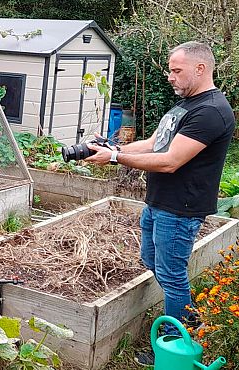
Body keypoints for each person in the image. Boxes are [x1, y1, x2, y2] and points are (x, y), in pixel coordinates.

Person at [86, 41, 235, 365]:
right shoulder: (183, 106)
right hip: (159, 203)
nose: (170, 76)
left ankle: (178, 342)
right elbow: (154, 144)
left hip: (180, 209)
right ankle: (192, 322)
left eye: (176, 70)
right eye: (170, 70)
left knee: (171, 274)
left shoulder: (210, 111)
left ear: (200, 68)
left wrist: (114, 158)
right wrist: (111, 146)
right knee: (153, 260)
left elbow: (169, 161)